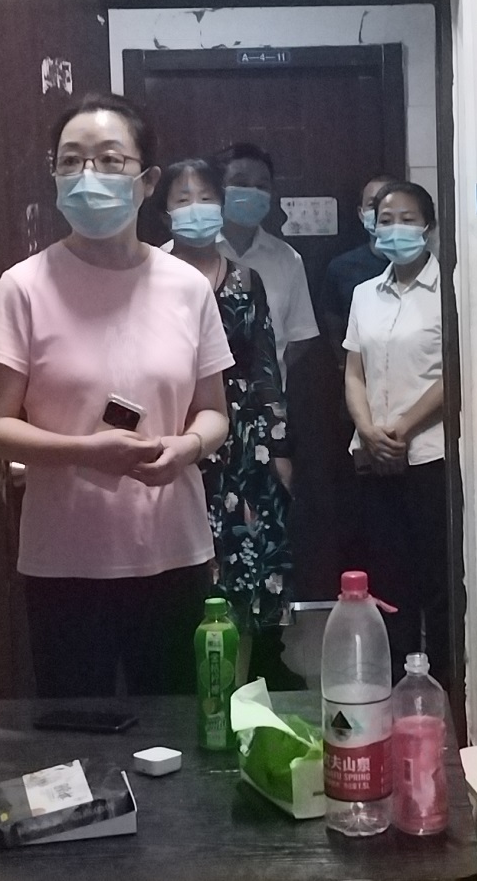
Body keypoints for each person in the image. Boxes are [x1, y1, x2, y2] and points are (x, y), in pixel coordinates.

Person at [0, 95, 232, 698]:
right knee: (76, 732)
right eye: (71, 161)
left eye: (110, 160)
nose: (88, 176)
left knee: (176, 728)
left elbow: (214, 411)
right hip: (65, 560)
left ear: (148, 180)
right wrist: (84, 451)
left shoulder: (187, 287)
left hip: (174, 551)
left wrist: (189, 447)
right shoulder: (23, 287)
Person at [157, 158, 296, 684]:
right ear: (164, 211)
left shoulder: (246, 279)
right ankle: (184, 692)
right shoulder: (151, 275)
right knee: (186, 573)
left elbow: (265, 364)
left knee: (244, 567)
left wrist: (280, 447)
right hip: (175, 433)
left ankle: (238, 692)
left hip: (243, 443)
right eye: (182, 199)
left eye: (205, 198)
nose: (195, 209)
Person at [343, 180, 449, 685]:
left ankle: (442, 687)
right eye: (386, 219)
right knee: (388, 579)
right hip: (373, 457)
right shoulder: (364, 294)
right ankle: (394, 687)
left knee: (437, 580)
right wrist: (368, 431)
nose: (395, 229)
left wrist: (402, 428)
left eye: (407, 219)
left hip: (429, 455)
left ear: (429, 227)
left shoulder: (450, 290)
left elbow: (453, 371)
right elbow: (354, 372)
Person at [214, 142, 321, 381]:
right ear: (217, 189)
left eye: (261, 186)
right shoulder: (179, 255)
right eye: (241, 183)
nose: (252, 191)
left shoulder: (287, 259)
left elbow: (299, 337)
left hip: (265, 398)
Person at [320, 173, 398, 353]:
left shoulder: (420, 267)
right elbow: (333, 326)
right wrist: (345, 363)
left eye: (389, 203)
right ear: (361, 214)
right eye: (373, 204)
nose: (381, 210)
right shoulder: (341, 267)